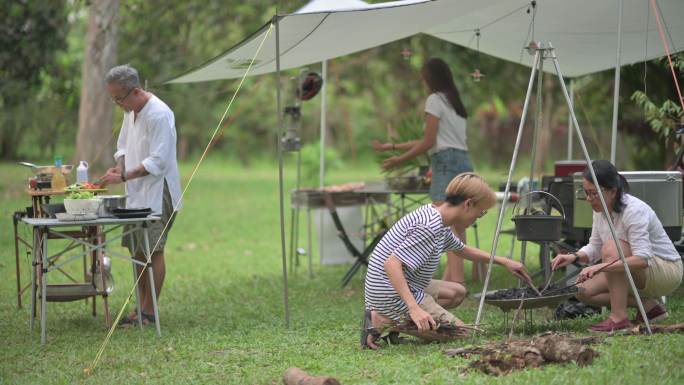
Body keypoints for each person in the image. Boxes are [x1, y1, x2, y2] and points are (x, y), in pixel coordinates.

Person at [362, 173, 532, 349]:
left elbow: (461, 249)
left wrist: (504, 262)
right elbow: (391, 264)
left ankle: (401, 317)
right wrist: (414, 308)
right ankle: (383, 319)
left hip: (405, 284)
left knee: (457, 292)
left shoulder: (438, 218)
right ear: (467, 204)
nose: (476, 219)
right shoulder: (430, 227)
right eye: (479, 214)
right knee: (463, 334)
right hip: (389, 292)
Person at [373, 57, 475, 286]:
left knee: (444, 221)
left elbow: (429, 142)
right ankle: (453, 280)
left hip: (445, 162)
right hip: (463, 161)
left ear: (431, 77)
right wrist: (392, 147)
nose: (422, 81)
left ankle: (457, 280)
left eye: (424, 77)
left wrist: (399, 159)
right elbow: (431, 138)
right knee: (457, 223)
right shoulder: (455, 103)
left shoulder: (434, 100)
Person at [552, 160, 682, 332]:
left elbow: (643, 259)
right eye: (586, 193)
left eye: (594, 193)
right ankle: (649, 307)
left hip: (666, 270)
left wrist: (603, 266)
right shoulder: (600, 210)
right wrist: (573, 257)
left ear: (613, 191)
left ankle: (619, 318)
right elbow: (594, 246)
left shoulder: (634, 211)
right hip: (636, 271)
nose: (589, 199)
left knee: (613, 248)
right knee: (582, 290)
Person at [100, 64, 182, 326]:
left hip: (160, 192)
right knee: (137, 250)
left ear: (135, 91)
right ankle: (140, 307)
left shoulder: (159, 115)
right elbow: (123, 144)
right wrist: (121, 166)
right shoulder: (130, 110)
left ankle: (149, 312)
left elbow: (157, 161)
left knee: (153, 250)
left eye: (118, 98)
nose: (117, 104)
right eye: (113, 99)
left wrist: (123, 176)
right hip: (136, 190)